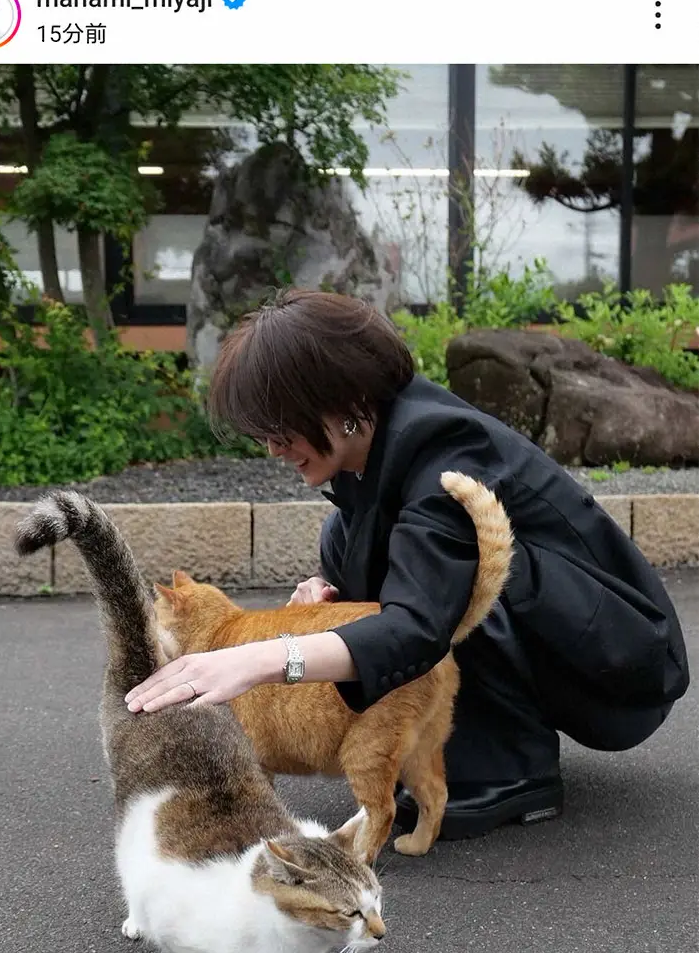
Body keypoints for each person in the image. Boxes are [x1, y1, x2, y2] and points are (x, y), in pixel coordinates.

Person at [125, 289, 690, 839]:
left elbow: (417, 623)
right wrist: (324, 596)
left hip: (620, 660)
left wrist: (260, 659)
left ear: (340, 402)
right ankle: (459, 750)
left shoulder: (447, 450)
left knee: (463, 575)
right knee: (348, 545)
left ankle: (510, 766)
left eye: (279, 427)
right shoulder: (378, 448)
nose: (270, 447)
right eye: (260, 434)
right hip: (570, 630)